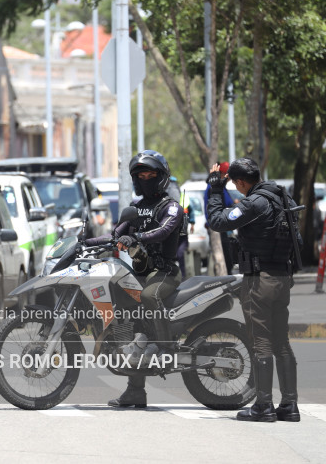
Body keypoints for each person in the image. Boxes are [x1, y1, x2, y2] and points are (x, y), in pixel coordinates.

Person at [86, 150, 184, 408]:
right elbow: (113, 235)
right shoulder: (135, 208)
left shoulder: (171, 207)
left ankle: (166, 348)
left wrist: (136, 237)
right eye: (141, 176)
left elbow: (163, 231)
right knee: (130, 320)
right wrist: (83, 242)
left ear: (162, 176)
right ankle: (135, 391)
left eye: (150, 174)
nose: (145, 179)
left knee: (149, 296)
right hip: (139, 272)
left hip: (164, 272)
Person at [207, 157, 301, 422]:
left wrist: (215, 190)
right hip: (282, 277)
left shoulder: (255, 202)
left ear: (240, 182)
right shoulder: (284, 198)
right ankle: (290, 405)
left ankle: (263, 406)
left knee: (261, 343)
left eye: (235, 184)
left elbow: (218, 221)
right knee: (281, 342)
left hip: (260, 281)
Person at [204, 162, 236, 273]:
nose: (229, 178)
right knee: (223, 256)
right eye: (227, 175)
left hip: (222, 224)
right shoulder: (213, 187)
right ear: (222, 174)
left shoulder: (222, 186)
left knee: (228, 254)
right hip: (216, 225)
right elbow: (222, 203)